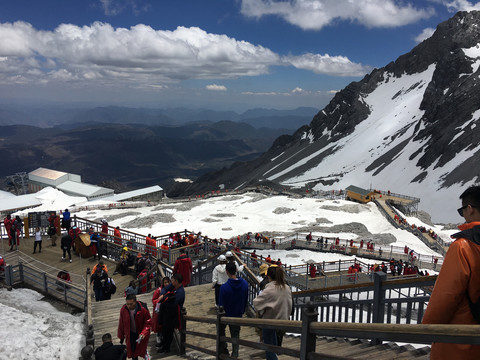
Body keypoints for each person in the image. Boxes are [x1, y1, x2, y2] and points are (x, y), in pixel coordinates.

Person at [422, 185, 480, 359]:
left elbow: (446, 297)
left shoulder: (463, 246)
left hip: (463, 341)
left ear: (469, 209)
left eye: (461, 211)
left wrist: (426, 329)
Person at [253, 266, 292, 360]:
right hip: (283, 320)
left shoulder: (269, 289)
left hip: (270, 321)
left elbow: (256, 303)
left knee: (269, 348)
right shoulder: (286, 288)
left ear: (268, 277)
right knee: (273, 345)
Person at [218, 261, 248, 357]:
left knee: (220, 331)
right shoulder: (244, 284)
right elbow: (246, 299)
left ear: (227, 272)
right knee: (235, 335)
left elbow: (221, 304)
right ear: (236, 270)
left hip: (226, 315)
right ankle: (235, 354)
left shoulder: (224, 287)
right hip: (238, 313)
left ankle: (224, 350)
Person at [157, 273, 185, 354]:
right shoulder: (174, 286)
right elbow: (165, 289)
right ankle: (163, 344)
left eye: (172, 280)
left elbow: (174, 304)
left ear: (176, 281)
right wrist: (162, 295)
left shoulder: (180, 292)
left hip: (173, 314)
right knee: (164, 329)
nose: (171, 282)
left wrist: (165, 299)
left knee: (168, 331)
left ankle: (166, 348)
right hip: (167, 312)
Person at [117, 294, 151, 360]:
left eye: (131, 304)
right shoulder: (123, 309)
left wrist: (144, 333)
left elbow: (148, 323)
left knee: (142, 347)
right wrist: (121, 336)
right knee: (132, 351)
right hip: (130, 333)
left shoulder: (143, 309)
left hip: (140, 332)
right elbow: (121, 323)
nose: (129, 306)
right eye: (127, 304)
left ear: (135, 301)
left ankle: (145, 353)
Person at [152, 277, 171, 347]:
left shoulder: (171, 290)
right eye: (165, 282)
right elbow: (153, 300)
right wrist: (159, 300)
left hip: (167, 311)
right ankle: (159, 337)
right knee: (159, 325)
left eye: (167, 282)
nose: (166, 284)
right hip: (159, 311)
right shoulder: (158, 290)